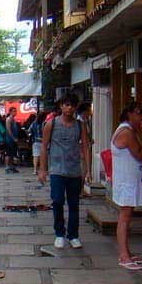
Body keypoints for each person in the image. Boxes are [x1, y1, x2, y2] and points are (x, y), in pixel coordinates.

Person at [39, 94, 90, 250]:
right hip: (57, 170)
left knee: (74, 204)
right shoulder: (51, 124)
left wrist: (87, 169)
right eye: (66, 105)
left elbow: (85, 146)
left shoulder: (80, 125)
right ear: (61, 106)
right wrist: (42, 169)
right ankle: (59, 233)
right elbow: (44, 146)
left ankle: (73, 235)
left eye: (72, 105)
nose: (69, 108)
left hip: (74, 170)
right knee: (58, 200)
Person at [111, 101, 142, 269]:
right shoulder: (127, 132)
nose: (141, 115)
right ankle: (123, 255)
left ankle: (126, 252)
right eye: (138, 112)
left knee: (127, 217)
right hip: (126, 181)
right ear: (129, 114)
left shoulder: (128, 131)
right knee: (125, 218)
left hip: (128, 180)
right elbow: (141, 155)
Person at [76, 101, 94, 197]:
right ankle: (79, 191)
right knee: (82, 171)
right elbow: (80, 140)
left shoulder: (85, 121)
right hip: (82, 150)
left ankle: (81, 190)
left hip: (86, 148)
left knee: (84, 170)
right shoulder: (79, 122)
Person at [29, 111, 46, 176]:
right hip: (43, 141)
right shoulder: (44, 123)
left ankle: (35, 170)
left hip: (35, 141)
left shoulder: (33, 123)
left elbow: (29, 131)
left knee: (35, 156)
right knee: (43, 156)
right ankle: (42, 169)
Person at [4, 107, 20, 173]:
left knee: (12, 154)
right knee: (8, 153)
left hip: (13, 139)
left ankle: (11, 167)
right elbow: (8, 130)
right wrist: (13, 138)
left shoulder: (13, 119)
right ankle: (7, 167)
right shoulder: (9, 119)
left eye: (15, 111)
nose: (15, 112)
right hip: (9, 140)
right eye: (13, 111)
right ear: (10, 112)